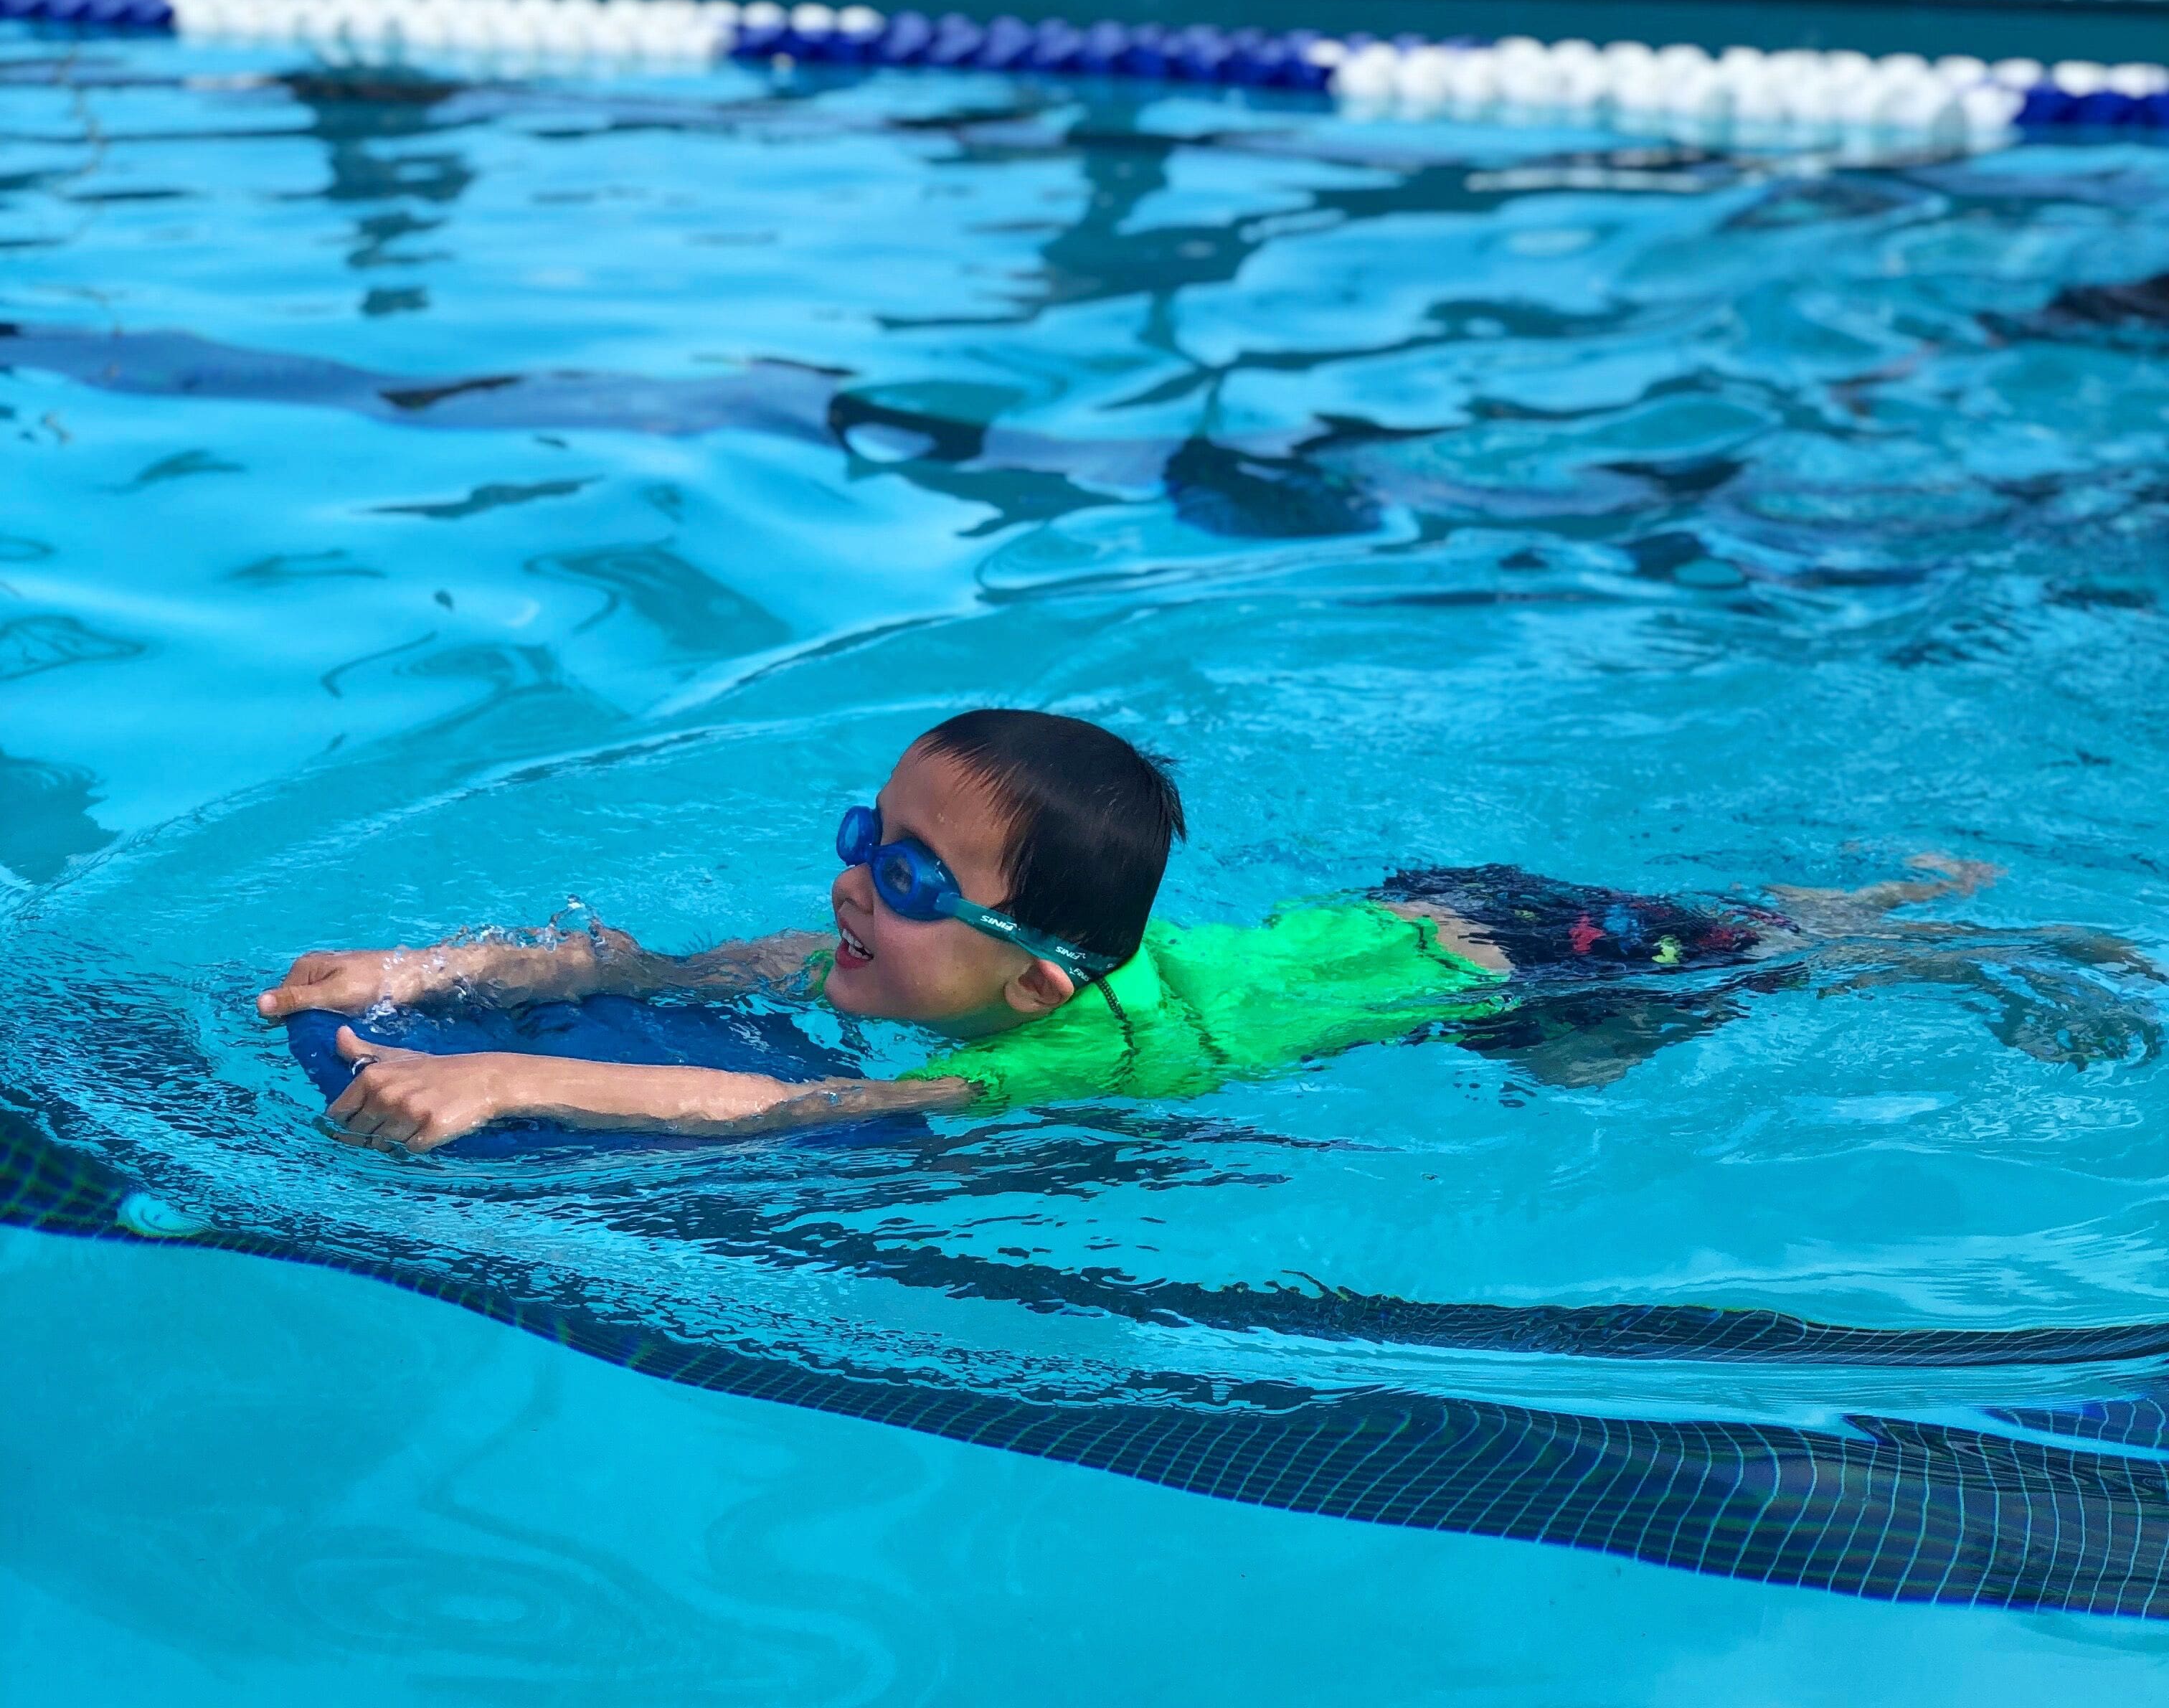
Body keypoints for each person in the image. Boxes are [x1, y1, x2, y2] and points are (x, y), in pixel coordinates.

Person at [256, 709, 2158, 1152]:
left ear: (1029, 978)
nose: (853, 887)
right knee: (1766, 927)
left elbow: (778, 1118)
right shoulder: (974, 966)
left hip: (1525, 968)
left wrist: (490, 1078)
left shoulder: (1071, 1047)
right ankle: (1921, 898)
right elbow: (673, 981)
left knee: (1782, 958)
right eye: (870, 838)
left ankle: (1998, 941)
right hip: (1426, 921)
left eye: (910, 877)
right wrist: (423, 975)